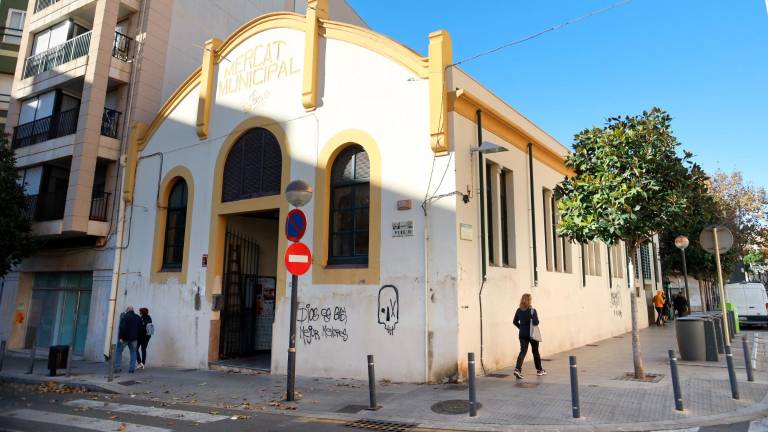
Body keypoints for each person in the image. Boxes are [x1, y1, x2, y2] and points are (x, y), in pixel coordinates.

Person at [512, 293, 545, 379]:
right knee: (535, 351)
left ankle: (517, 369)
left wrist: (521, 328)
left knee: (523, 351)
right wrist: (532, 314)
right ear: (529, 300)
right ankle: (539, 370)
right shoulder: (532, 310)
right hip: (532, 334)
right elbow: (536, 322)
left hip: (522, 334)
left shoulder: (518, 310)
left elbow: (514, 322)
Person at [114, 306, 142, 373]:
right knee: (133, 352)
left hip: (124, 338)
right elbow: (140, 328)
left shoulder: (124, 316)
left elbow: (121, 327)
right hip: (134, 339)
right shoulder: (137, 317)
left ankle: (118, 368)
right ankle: (131, 369)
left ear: (127, 310)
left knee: (118, 351)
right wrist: (137, 336)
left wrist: (120, 337)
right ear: (133, 310)